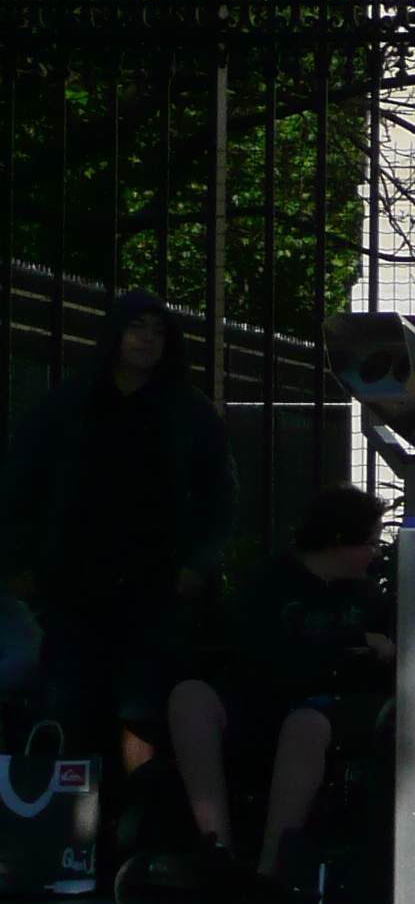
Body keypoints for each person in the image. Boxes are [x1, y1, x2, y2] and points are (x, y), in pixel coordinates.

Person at [1, 291, 236, 766]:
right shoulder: (67, 404)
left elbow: (221, 496)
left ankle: (134, 822)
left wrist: (196, 563)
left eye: (158, 330)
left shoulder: (188, 412)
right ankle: (78, 821)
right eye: (137, 327)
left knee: (143, 705)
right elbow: (19, 484)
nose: (146, 340)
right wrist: (17, 562)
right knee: (71, 700)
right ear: (114, 334)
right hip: (73, 578)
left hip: (157, 581)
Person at [154, 485, 393, 904]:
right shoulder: (269, 582)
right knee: (190, 696)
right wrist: (348, 643)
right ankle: (217, 847)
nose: (374, 553)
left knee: (306, 723)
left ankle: (272, 867)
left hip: (322, 710)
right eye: (370, 542)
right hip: (260, 698)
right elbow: (254, 649)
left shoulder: (369, 596)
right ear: (340, 540)